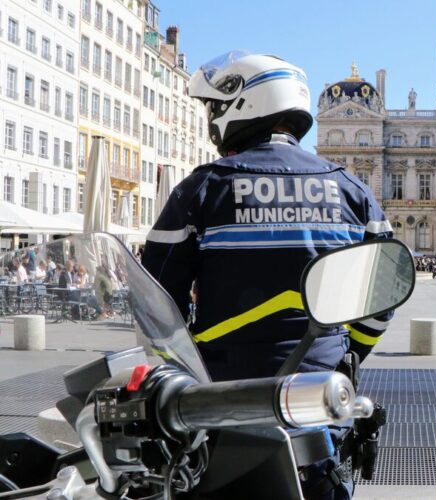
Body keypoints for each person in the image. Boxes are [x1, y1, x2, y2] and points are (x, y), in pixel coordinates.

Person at [141, 51, 394, 499]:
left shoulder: (204, 188)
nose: (211, 119)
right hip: (319, 395)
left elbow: (156, 300)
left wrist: (187, 363)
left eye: (214, 108)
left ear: (243, 105)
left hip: (225, 397)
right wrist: (346, 352)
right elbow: (387, 291)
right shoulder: (353, 192)